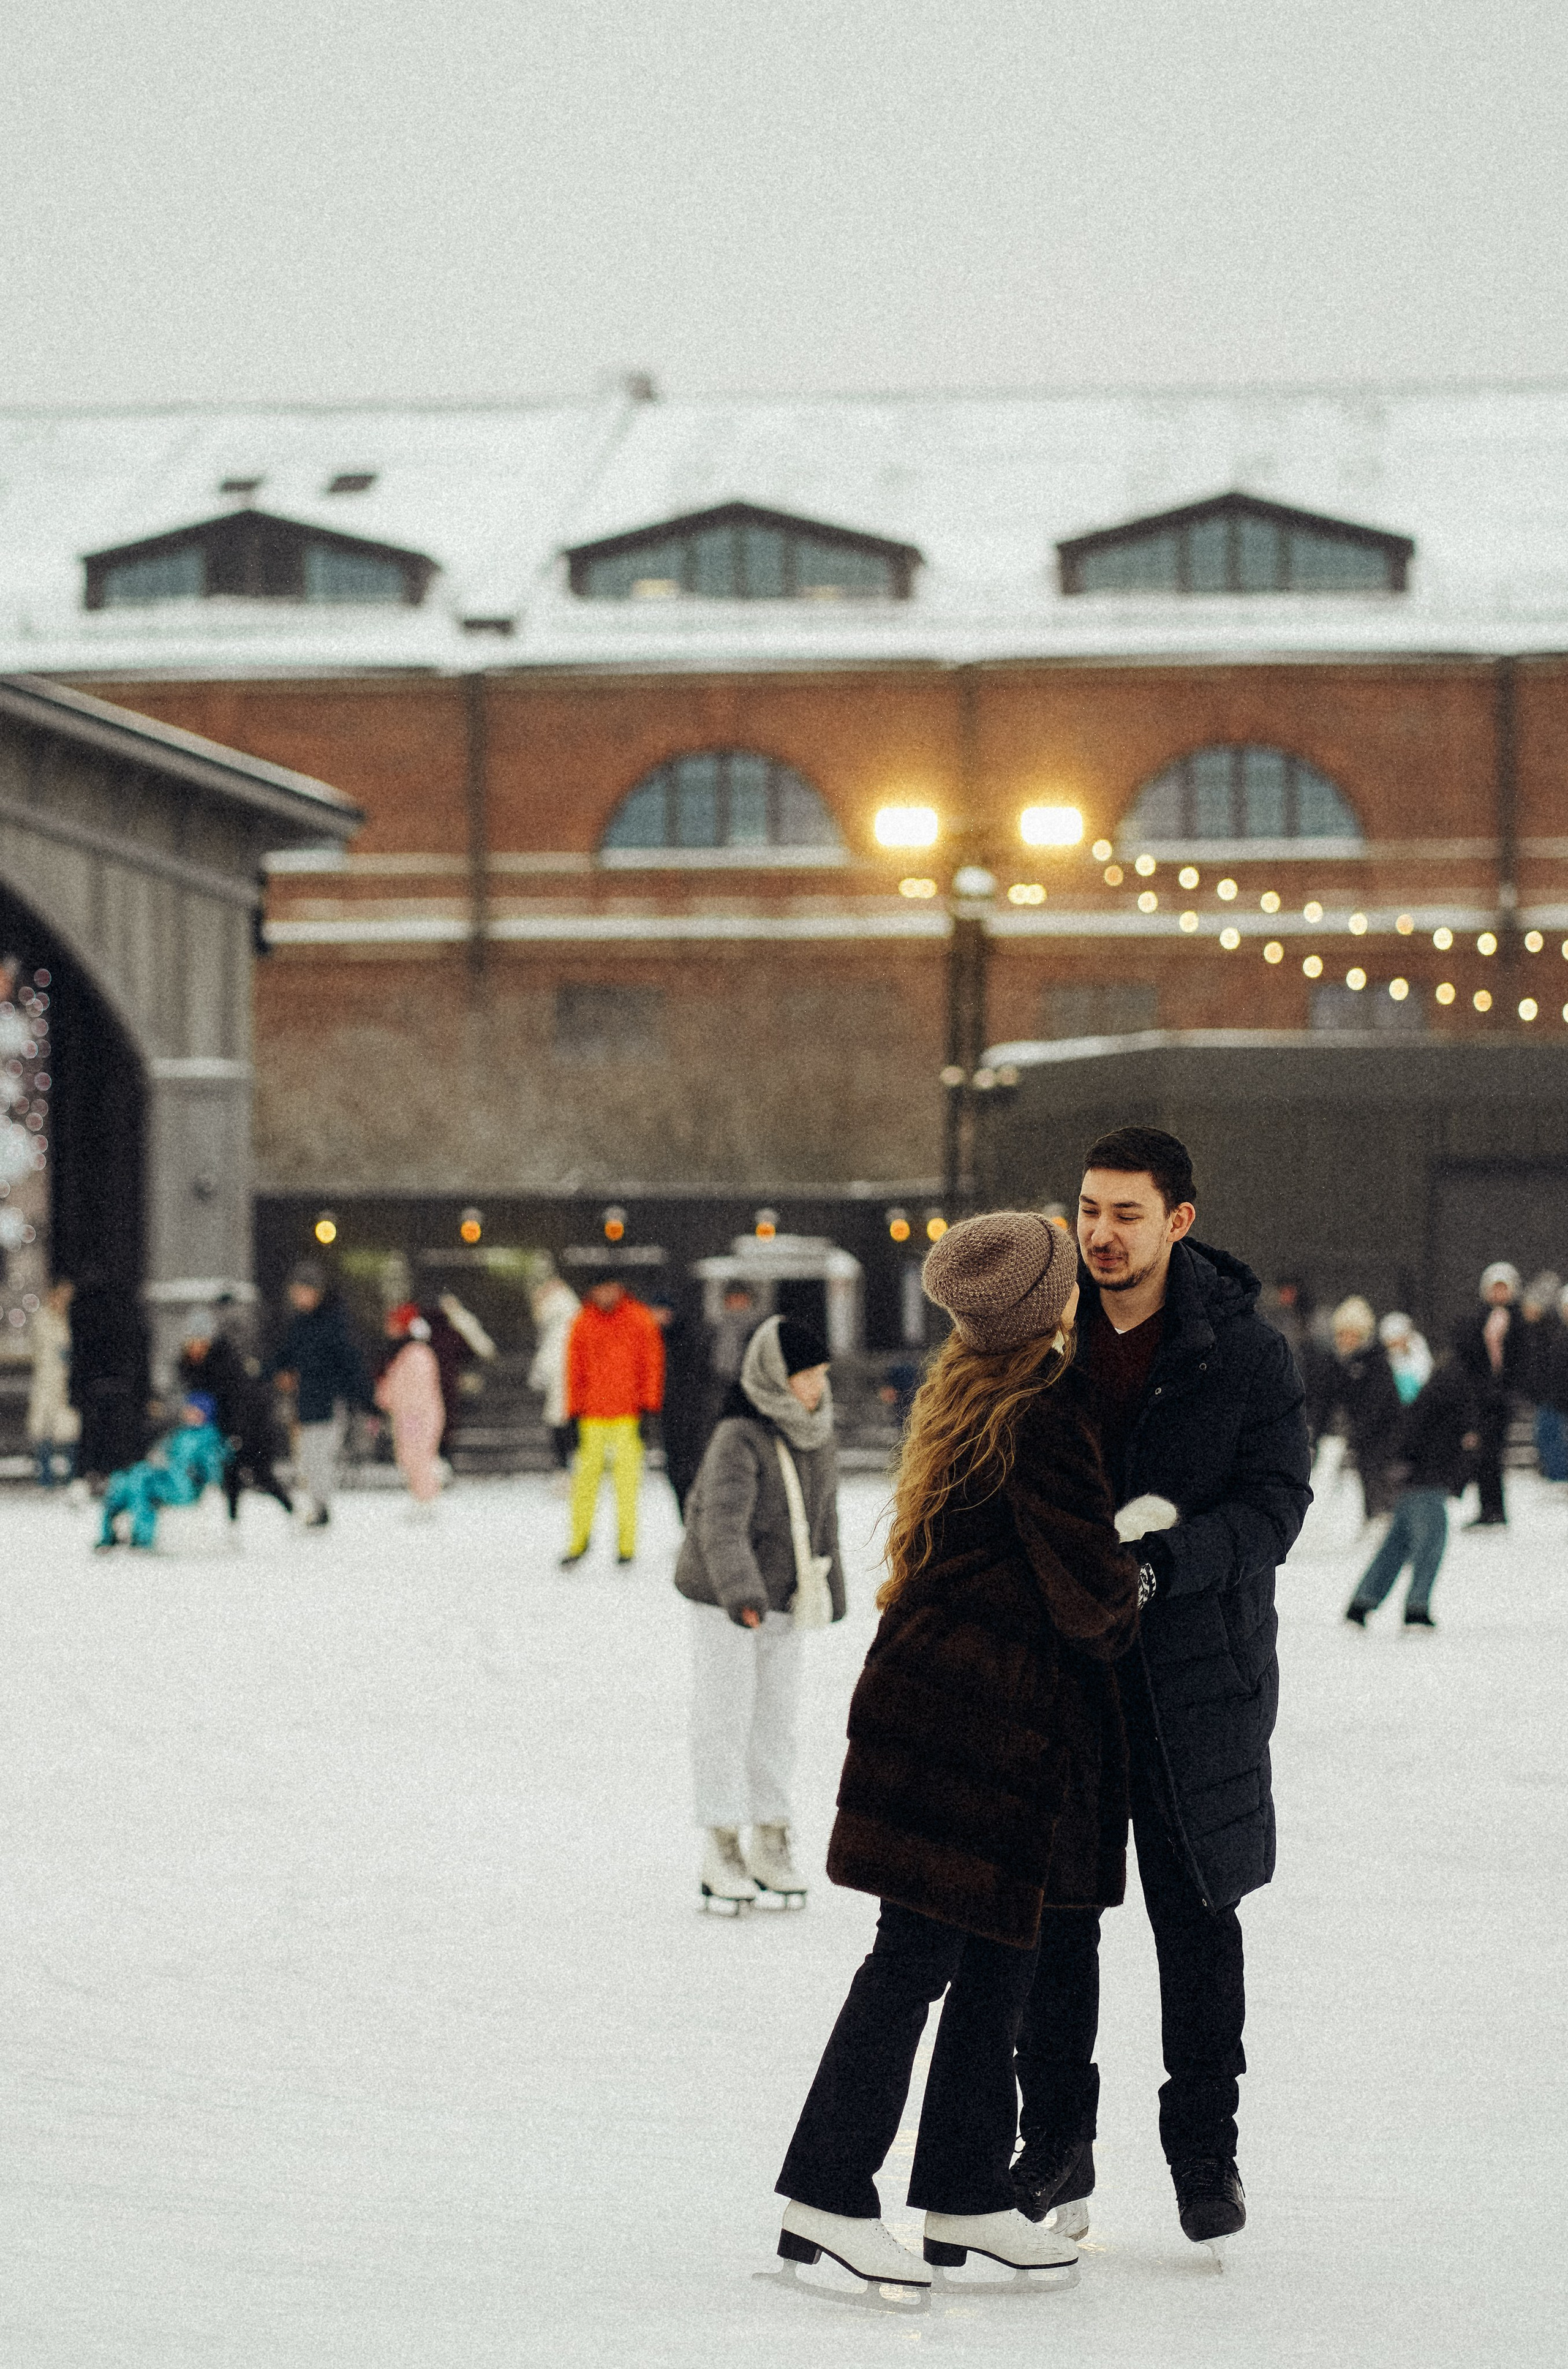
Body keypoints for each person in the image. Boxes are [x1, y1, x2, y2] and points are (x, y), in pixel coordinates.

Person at [771, 1211, 1138, 2294]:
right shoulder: (1042, 1411)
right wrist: (1146, 1560)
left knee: (996, 1952)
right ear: (1047, 1305)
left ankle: (967, 2190)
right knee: (918, 1956)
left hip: (955, 1707)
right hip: (972, 1718)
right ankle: (827, 2190)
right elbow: (1092, 1593)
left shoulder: (975, 1391)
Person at [1013, 1126, 1311, 2254]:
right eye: (1089, 1208)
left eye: (1125, 1212)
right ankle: (1055, 2142)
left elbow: (1277, 1503)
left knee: (1196, 1922)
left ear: (1178, 1220)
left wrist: (1166, 1564)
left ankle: (1203, 2151)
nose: (1099, 1232)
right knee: (1055, 1921)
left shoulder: (1246, 1354)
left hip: (1198, 1683)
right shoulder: (1043, 1341)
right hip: (1067, 1678)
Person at [674, 1316, 844, 1910]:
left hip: (785, 1599)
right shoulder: (737, 1437)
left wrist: (832, 1586)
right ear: (775, 1374)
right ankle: (721, 1841)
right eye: (806, 1376)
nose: (816, 1388)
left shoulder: (816, 1432)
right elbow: (718, 1524)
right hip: (727, 1600)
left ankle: (770, 1835)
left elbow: (825, 1517)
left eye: (821, 1375)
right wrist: (742, 1594)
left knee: (776, 1720)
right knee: (725, 1715)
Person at [1345, 1357, 1479, 1630]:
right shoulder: (1459, 1386)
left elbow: (1416, 1423)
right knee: (1431, 1542)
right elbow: (1448, 1433)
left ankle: (1362, 1602)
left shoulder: (1445, 1381)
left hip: (1415, 1474)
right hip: (1426, 1477)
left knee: (1398, 1543)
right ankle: (1417, 1608)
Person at [561, 1278, 664, 1567]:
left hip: (628, 1416)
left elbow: (651, 1364)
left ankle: (626, 1547)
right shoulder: (582, 1322)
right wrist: (573, 1412)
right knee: (584, 1485)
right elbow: (574, 1370)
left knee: (627, 1485)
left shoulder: (638, 1319)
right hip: (592, 1416)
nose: (605, 1294)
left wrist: (648, 1407)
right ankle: (579, 1542)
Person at [268, 1260, 375, 1529]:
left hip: (329, 1401)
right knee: (306, 1456)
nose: (298, 1297)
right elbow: (286, 1355)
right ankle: (317, 1504)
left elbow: (350, 1363)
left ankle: (321, 1506)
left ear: (315, 1292)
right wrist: (276, 1372)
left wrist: (364, 1399)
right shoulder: (300, 1323)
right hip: (306, 1400)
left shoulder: (333, 1323)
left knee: (320, 1455)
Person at [179, 1307, 293, 1523]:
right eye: (192, 1343)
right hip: (226, 1428)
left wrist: (237, 1434)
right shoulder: (191, 1367)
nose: (196, 1349)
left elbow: (241, 1403)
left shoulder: (226, 1365)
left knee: (260, 1474)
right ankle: (232, 1523)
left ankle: (290, 1510)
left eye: (201, 1343)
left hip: (252, 1426)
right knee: (230, 1475)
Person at [94, 1390, 230, 1551]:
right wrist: (157, 1459)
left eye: (195, 1411)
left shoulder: (209, 1437)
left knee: (140, 1482)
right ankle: (109, 1531)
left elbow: (214, 1464)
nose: (190, 1414)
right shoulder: (179, 1434)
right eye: (189, 1410)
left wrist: (208, 1480)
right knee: (123, 1480)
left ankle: (142, 1538)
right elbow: (159, 1453)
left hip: (184, 1488)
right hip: (167, 1480)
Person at [1453, 1262, 1526, 1526]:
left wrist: (1509, 1388)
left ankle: (1495, 1509)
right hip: (1480, 1397)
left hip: (1502, 1398)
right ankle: (1489, 1507)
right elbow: (1470, 1356)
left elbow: (1521, 1358)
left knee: (1492, 1453)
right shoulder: (1478, 1319)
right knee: (1483, 1454)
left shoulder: (1520, 1320)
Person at [1329, 1296, 1404, 1523]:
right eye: (1341, 1334)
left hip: (1385, 1428)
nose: (1346, 1340)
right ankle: (1373, 1513)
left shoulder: (1376, 1361)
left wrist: (1361, 1428)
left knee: (1380, 1470)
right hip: (1363, 1429)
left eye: (1351, 1334)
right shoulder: (1341, 1363)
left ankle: (1386, 1514)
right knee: (1366, 1471)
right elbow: (1331, 1397)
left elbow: (1379, 1401)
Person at [374, 1309, 446, 1512]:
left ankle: (426, 1499)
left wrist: (389, 1399)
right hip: (409, 1414)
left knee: (418, 1455)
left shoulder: (416, 1353)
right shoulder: (404, 1353)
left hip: (418, 1415)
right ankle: (421, 1496)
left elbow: (414, 1389)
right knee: (410, 1456)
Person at [648, 1294, 707, 1517]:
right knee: (675, 1471)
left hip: (691, 1414)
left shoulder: (687, 1337)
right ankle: (686, 1519)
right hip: (668, 1415)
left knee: (691, 1469)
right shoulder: (652, 1338)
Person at [527, 1270, 581, 1488]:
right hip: (572, 1385)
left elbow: (551, 1353)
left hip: (563, 1385)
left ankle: (565, 1472)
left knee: (561, 1427)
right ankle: (571, 1468)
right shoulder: (573, 1315)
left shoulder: (557, 1320)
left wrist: (539, 1374)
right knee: (571, 1427)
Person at [26, 1278, 80, 1488]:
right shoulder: (43, 1320)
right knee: (43, 1430)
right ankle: (45, 1477)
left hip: (66, 1382)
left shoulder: (72, 1319)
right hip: (46, 1381)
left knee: (69, 1429)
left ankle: (71, 1476)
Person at [1516, 1272, 1567, 1482]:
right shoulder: (1552, 1332)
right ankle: (1558, 1476)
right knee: (1547, 1437)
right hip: (1553, 1398)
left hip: (1558, 1397)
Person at [1378, 1310, 1433, 1409]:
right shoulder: (1382, 1361)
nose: (1395, 1345)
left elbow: (1425, 1377)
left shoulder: (1420, 1354)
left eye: (1398, 1340)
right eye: (1391, 1343)